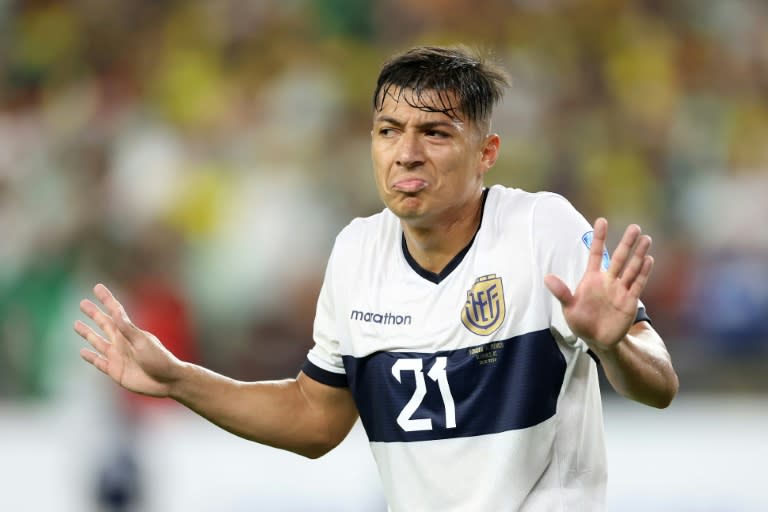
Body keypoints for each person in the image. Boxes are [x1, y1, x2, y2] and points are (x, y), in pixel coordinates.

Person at [75, 46, 679, 511]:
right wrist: (179, 379)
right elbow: (315, 420)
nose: (406, 153)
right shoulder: (357, 252)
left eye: (435, 132)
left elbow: (660, 384)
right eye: (389, 131)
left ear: (487, 151)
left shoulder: (540, 228)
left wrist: (614, 341)